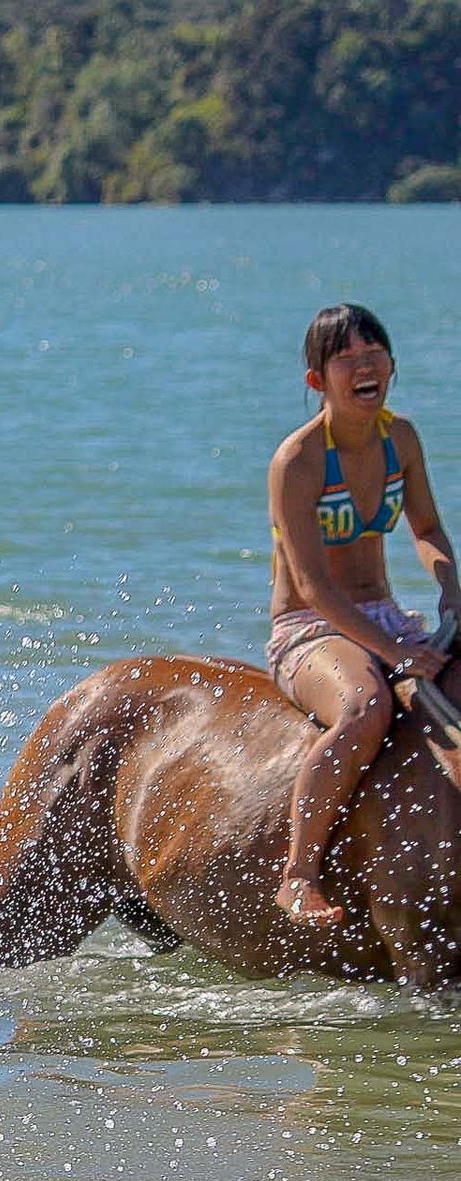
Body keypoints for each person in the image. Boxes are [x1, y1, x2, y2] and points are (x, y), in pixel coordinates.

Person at [265, 303, 460, 925]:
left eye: (373, 353)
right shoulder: (297, 461)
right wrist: (399, 654)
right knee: (367, 707)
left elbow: (427, 527)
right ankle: (298, 876)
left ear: (392, 366)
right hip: (311, 629)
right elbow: (312, 586)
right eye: (346, 358)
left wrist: (451, 588)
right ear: (317, 381)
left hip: (387, 616)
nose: (363, 366)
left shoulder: (400, 438)